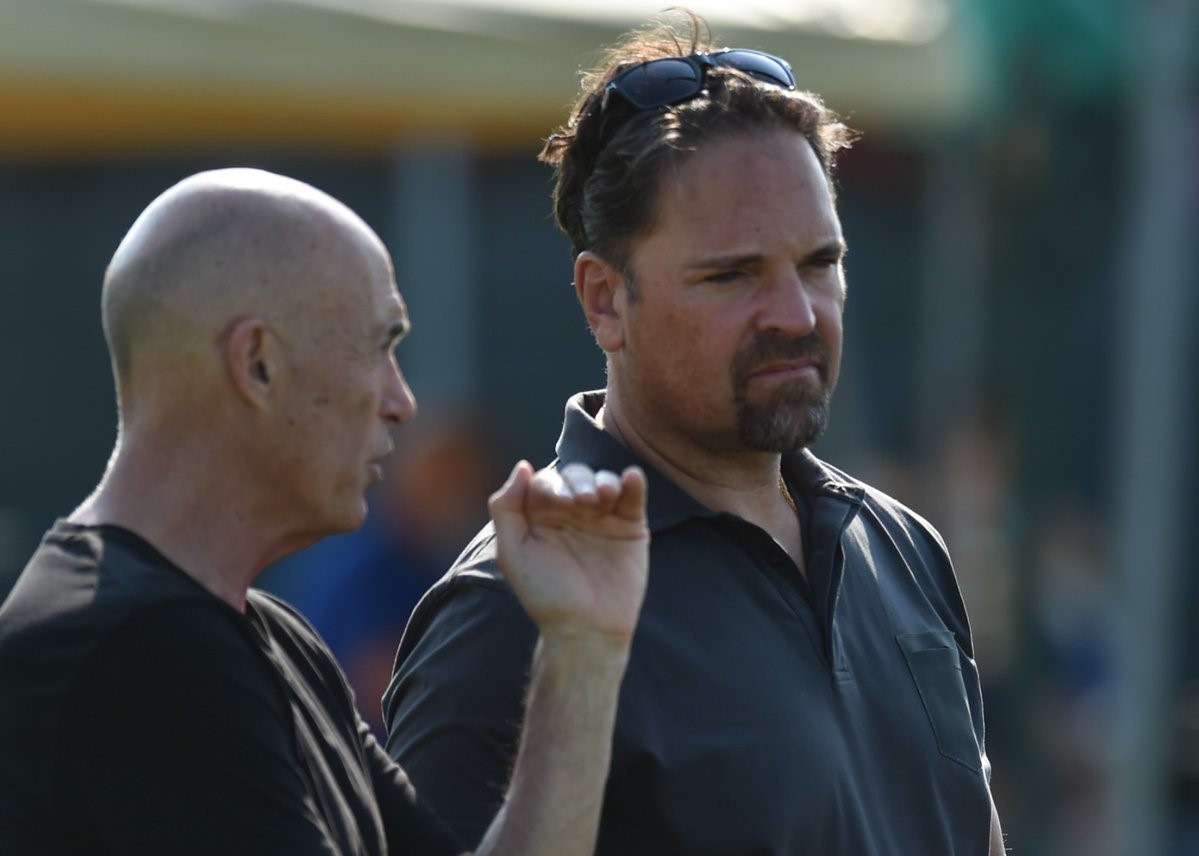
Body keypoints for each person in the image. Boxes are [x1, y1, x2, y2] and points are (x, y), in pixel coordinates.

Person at [383, 13, 1007, 856]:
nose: (796, 314)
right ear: (604, 300)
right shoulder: (512, 610)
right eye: (732, 275)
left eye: (819, 264)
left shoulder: (900, 548)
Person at [0, 167, 650, 856]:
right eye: (380, 346)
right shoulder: (140, 650)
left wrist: (582, 649)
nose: (401, 402)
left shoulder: (267, 637)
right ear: (258, 364)